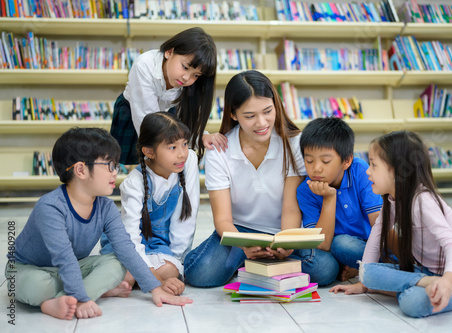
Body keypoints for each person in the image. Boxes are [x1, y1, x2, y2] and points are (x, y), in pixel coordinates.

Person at [6, 128, 192, 321]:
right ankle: (63, 299)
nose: (115, 173)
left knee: (117, 264)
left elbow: (126, 249)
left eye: (116, 166)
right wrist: (83, 297)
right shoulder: (50, 207)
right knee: (38, 286)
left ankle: (66, 300)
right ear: (81, 170)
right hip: (28, 268)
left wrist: (155, 288)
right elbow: (64, 257)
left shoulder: (106, 207)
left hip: (72, 267)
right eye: (109, 165)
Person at [331, 131, 452, 318]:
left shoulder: (422, 200)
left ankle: (412, 287)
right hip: (430, 273)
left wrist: (447, 281)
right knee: (367, 272)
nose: (368, 170)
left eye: (374, 165)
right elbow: (376, 236)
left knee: (411, 302)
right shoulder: (392, 200)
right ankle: (423, 283)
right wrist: (364, 282)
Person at [183, 70, 308, 287]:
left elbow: (290, 208)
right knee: (200, 274)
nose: (261, 123)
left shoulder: (293, 143)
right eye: (250, 116)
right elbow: (222, 220)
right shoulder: (219, 151)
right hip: (240, 231)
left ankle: (253, 264)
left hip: (283, 229)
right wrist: (242, 245)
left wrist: (286, 242)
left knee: (324, 270)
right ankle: (251, 261)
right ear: (233, 114)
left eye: (268, 111)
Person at [101, 112, 199, 296]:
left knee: (172, 269)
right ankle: (133, 277)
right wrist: (157, 280)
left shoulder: (187, 162)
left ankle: (131, 278)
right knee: (133, 271)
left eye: (184, 144)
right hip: (127, 244)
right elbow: (130, 237)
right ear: (149, 151)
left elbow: (186, 219)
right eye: (172, 147)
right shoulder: (134, 183)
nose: (181, 154)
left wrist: (176, 260)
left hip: (158, 243)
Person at [110, 27, 227, 165]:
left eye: (196, 75)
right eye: (185, 67)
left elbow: (187, 123)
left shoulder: (190, 85)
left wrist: (201, 137)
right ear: (169, 52)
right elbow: (146, 119)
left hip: (167, 116)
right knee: (119, 159)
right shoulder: (144, 65)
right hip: (133, 113)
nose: (186, 78)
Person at [291, 117, 382, 285]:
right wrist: (329, 198)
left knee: (344, 244)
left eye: (325, 161)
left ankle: (374, 265)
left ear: (346, 161)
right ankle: (364, 267)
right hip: (330, 248)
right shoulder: (305, 190)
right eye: (309, 160)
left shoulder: (361, 171)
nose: (316, 168)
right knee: (333, 252)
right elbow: (323, 244)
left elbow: (378, 225)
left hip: (368, 245)